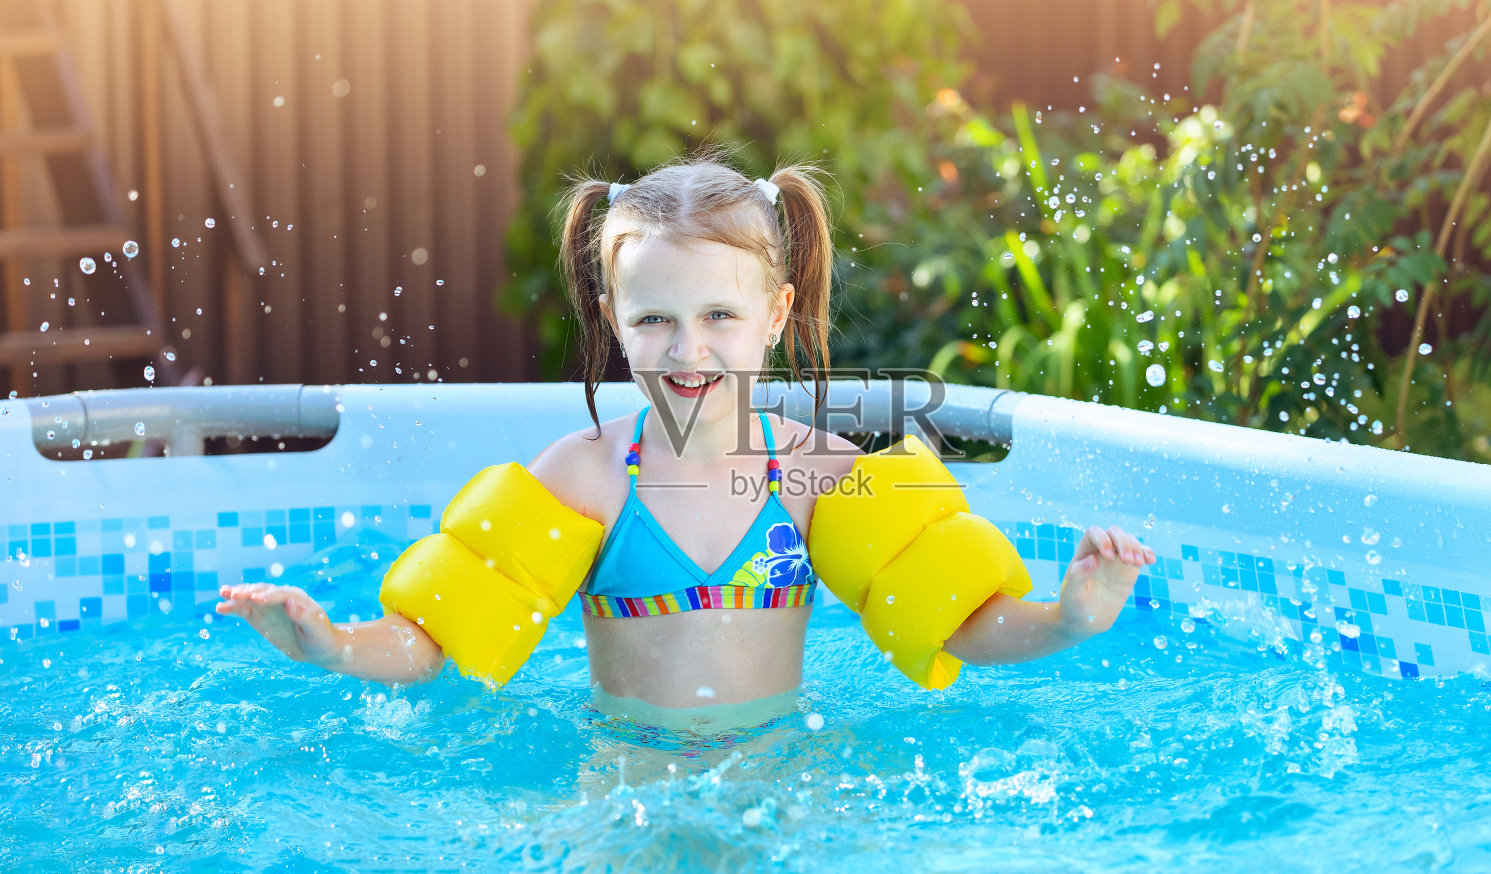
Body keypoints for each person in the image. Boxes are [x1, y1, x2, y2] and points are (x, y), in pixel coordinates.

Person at [216, 148, 1155, 742]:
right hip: (626, 786)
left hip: (784, 782)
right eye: (654, 319)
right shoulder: (583, 477)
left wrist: (1068, 620)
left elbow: (956, 622)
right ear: (613, 320)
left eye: (718, 316)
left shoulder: (825, 477)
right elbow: (434, 640)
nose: (686, 348)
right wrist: (329, 644)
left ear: (776, 314)